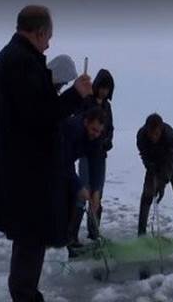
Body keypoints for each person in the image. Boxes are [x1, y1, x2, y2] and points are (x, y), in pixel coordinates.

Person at [0, 5, 92, 302]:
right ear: (40, 31)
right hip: (28, 174)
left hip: (20, 170)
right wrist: (76, 94)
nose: (49, 44)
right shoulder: (21, 63)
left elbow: (34, 111)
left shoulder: (10, 60)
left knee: (28, 243)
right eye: (48, 37)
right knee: (30, 244)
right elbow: (40, 115)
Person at [57, 107, 106, 254]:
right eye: (93, 129)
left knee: (74, 194)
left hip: (64, 161)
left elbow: (96, 162)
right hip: (48, 157)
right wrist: (80, 187)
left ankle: (67, 243)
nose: (95, 134)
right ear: (86, 122)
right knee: (66, 196)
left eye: (98, 131)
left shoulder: (96, 137)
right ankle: (58, 242)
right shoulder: (73, 130)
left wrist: (96, 191)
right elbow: (65, 163)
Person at [136, 113, 173, 241]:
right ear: (146, 129)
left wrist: (162, 184)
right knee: (147, 194)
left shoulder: (169, 136)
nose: (153, 137)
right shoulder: (141, 136)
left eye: (156, 134)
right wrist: (150, 167)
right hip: (154, 163)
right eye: (151, 133)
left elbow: (171, 162)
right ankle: (141, 234)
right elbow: (144, 155)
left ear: (161, 130)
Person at [75, 69, 115, 242]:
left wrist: (106, 141)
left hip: (100, 154)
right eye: (102, 87)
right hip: (85, 154)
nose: (104, 91)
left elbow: (110, 128)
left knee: (97, 193)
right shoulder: (87, 101)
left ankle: (94, 232)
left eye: (108, 89)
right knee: (83, 191)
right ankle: (72, 236)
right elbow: (79, 122)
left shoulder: (107, 107)